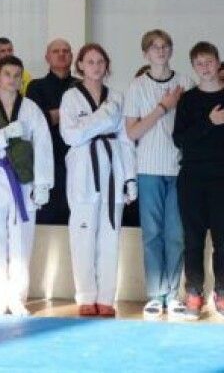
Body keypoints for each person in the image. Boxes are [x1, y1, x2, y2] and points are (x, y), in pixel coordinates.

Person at [0, 56, 53, 315]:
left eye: (17, 75)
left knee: (21, 241)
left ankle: (16, 298)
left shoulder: (31, 109)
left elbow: (43, 146)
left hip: (22, 179)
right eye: (7, 74)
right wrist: (3, 134)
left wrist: (43, 183)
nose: (12, 80)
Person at [60, 44, 137, 317]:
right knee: (82, 236)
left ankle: (106, 297)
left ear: (107, 65)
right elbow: (70, 136)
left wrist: (130, 178)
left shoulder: (116, 97)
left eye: (100, 61)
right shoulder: (70, 97)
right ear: (80, 65)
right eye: (90, 61)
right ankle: (85, 295)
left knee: (110, 235)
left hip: (114, 170)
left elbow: (125, 139)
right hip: (83, 171)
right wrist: (104, 118)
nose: (95, 66)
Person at [172, 41, 224, 321]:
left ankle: (223, 292)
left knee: (223, 240)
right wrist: (209, 121)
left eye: (209, 62)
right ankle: (193, 292)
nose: (205, 68)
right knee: (192, 239)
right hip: (192, 177)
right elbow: (180, 139)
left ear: (218, 62)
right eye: (199, 63)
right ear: (193, 67)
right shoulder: (188, 99)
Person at [123, 30, 194, 320]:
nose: (160, 51)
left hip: (179, 168)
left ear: (171, 50)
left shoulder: (186, 82)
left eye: (165, 46)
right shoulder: (137, 86)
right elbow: (132, 132)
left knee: (175, 234)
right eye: (154, 47)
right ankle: (155, 294)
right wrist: (164, 107)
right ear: (146, 54)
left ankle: (173, 295)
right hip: (149, 168)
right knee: (152, 234)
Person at [26, 38, 77, 225]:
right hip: (48, 158)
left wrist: (54, 115)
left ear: (72, 56)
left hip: (77, 157)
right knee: (48, 215)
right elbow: (37, 122)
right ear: (47, 57)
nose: (61, 54)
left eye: (66, 51)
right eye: (56, 51)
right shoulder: (35, 87)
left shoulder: (81, 86)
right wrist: (71, 115)